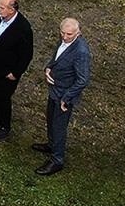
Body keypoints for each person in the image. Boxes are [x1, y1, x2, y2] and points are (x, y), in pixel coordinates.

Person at [33, 18, 91, 176]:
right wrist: (48, 69)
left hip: (64, 95)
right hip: (55, 90)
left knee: (59, 127)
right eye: (62, 33)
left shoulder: (81, 52)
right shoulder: (64, 42)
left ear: (78, 33)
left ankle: (57, 160)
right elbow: (56, 59)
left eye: (69, 34)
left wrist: (67, 97)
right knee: (50, 120)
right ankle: (52, 145)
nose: (65, 37)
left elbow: (83, 80)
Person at [0, 0, 34, 141]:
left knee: (3, 97)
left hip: (8, 72)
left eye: (2, 8)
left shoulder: (23, 28)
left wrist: (16, 73)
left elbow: (26, 54)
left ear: (12, 10)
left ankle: (4, 126)